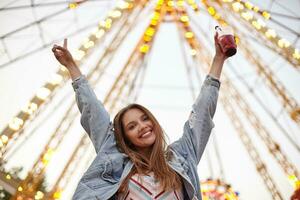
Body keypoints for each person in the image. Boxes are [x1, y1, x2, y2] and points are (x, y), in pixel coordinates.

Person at [52, 31, 232, 199]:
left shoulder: (181, 158)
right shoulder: (116, 162)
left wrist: (218, 59)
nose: (142, 126)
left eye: (145, 118)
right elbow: (93, 113)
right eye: (132, 126)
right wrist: (71, 66)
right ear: (125, 138)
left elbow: (201, 115)